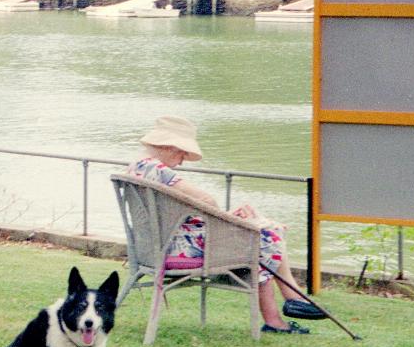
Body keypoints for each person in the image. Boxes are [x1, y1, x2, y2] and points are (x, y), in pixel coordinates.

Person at [127, 116, 318, 334]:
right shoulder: (159, 170)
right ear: (170, 147)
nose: (182, 161)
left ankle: (282, 312)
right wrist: (229, 218)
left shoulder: (136, 168)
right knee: (267, 233)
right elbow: (206, 200)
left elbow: (178, 212)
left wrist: (228, 217)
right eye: (182, 153)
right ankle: (291, 299)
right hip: (179, 250)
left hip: (158, 245)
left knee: (261, 234)